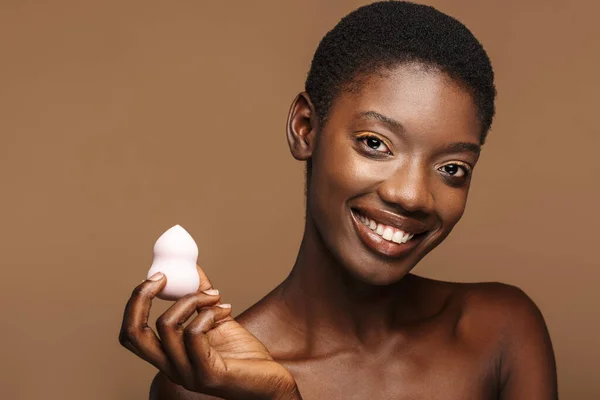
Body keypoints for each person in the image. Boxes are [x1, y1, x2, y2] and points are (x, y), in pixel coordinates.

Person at [119, 2, 558, 399]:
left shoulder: (500, 332)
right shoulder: (206, 382)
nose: (411, 195)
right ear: (306, 127)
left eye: (452, 169)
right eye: (375, 143)